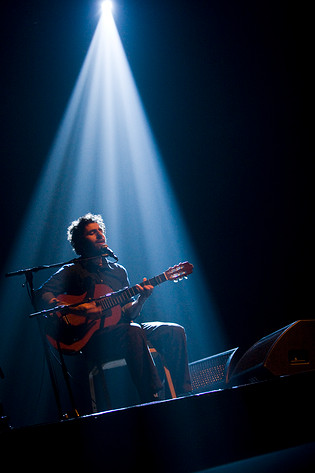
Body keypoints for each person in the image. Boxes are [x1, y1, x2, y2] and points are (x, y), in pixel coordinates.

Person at [36, 213, 191, 408]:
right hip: (92, 338)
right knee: (133, 331)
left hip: (123, 329)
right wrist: (74, 308)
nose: (100, 234)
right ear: (81, 242)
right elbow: (42, 293)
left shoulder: (118, 271)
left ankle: (186, 395)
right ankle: (151, 399)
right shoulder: (73, 270)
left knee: (173, 330)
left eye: (100, 230)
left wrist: (142, 299)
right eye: (92, 233)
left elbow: (129, 313)